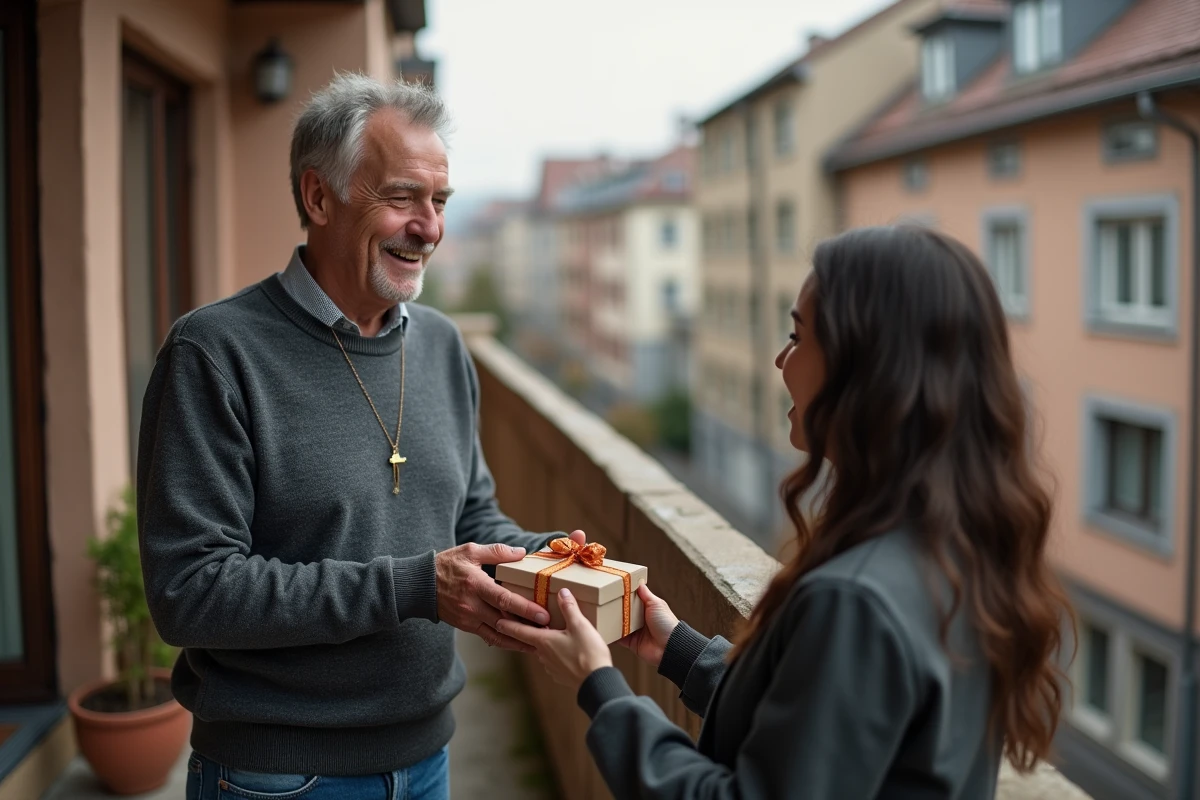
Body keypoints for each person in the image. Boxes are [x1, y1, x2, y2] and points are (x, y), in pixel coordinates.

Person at [500, 225, 1074, 798]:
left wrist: (599, 686)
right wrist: (680, 650)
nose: (780, 360)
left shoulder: (855, 598)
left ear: (865, 367)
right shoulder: (952, 547)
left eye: (798, 337)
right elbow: (827, 728)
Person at [137, 74, 581, 800]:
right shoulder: (214, 352)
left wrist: (562, 558)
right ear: (319, 197)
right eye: (403, 197)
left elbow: (471, 521)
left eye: (440, 203)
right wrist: (413, 587)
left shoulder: (440, 344)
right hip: (276, 776)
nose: (429, 227)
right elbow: (190, 591)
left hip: (429, 758)